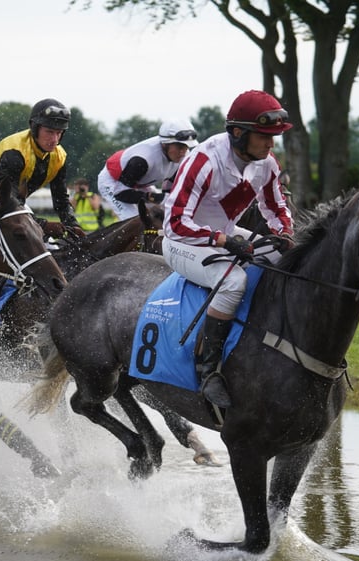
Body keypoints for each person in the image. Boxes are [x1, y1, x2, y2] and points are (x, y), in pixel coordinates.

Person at [162, 90, 295, 408]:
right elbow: (175, 223)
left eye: (274, 137)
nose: (270, 145)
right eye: (264, 137)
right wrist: (221, 240)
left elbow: (276, 208)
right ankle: (208, 372)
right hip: (182, 243)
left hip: (225, 234)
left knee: (284, 261)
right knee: (234, 281)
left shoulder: (266, 163)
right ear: (238, 133)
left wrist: (285, 233)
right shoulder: (205, 160)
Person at [0, 98, 83, 238]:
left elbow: (61, 199)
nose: (54, 140)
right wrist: (42, 225)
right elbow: (6, 202)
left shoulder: (60, 157)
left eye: (59, 133)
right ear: (34, 127)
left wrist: (72, 225)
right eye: (49, 132)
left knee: (48, 249)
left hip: (12, 203)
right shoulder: (14, 153)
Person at [98, 119, 198, 221]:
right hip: (113, 183)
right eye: (179, 147)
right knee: (136, 221)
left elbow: (170, 188)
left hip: (140, 183)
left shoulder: (184, 157)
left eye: (186, 147)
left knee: (167, 215)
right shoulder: (141, 160)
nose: (183, 152)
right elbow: (120, 193)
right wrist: (156, 197)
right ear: (165, 144)